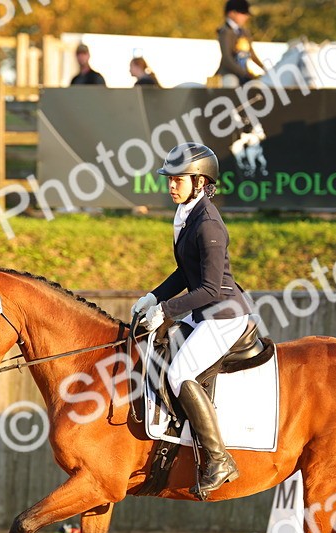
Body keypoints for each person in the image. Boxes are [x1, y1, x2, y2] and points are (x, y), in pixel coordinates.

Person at [130, 143, 253, 499]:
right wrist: (154, 296)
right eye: (169, 178)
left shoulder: (208, 224)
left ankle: (219, 459)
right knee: (156, 349)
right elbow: (186, 272)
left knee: (179, 373)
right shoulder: (186, 214)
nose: (171, 185)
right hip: (203, 313)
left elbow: (211, 289)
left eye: (178, 179)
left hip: (223, 315)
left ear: (200, 181)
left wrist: (167, 311)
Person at [215, 0, 265, 87]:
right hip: (228, 73)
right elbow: (227, 59)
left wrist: (265, 69)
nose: (246, 17)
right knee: (231, 83)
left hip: (244, 73)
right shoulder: (225, 32)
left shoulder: (245, 32)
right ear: (232, 13)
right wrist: (244, 73)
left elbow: (251, 54)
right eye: (243, 14)